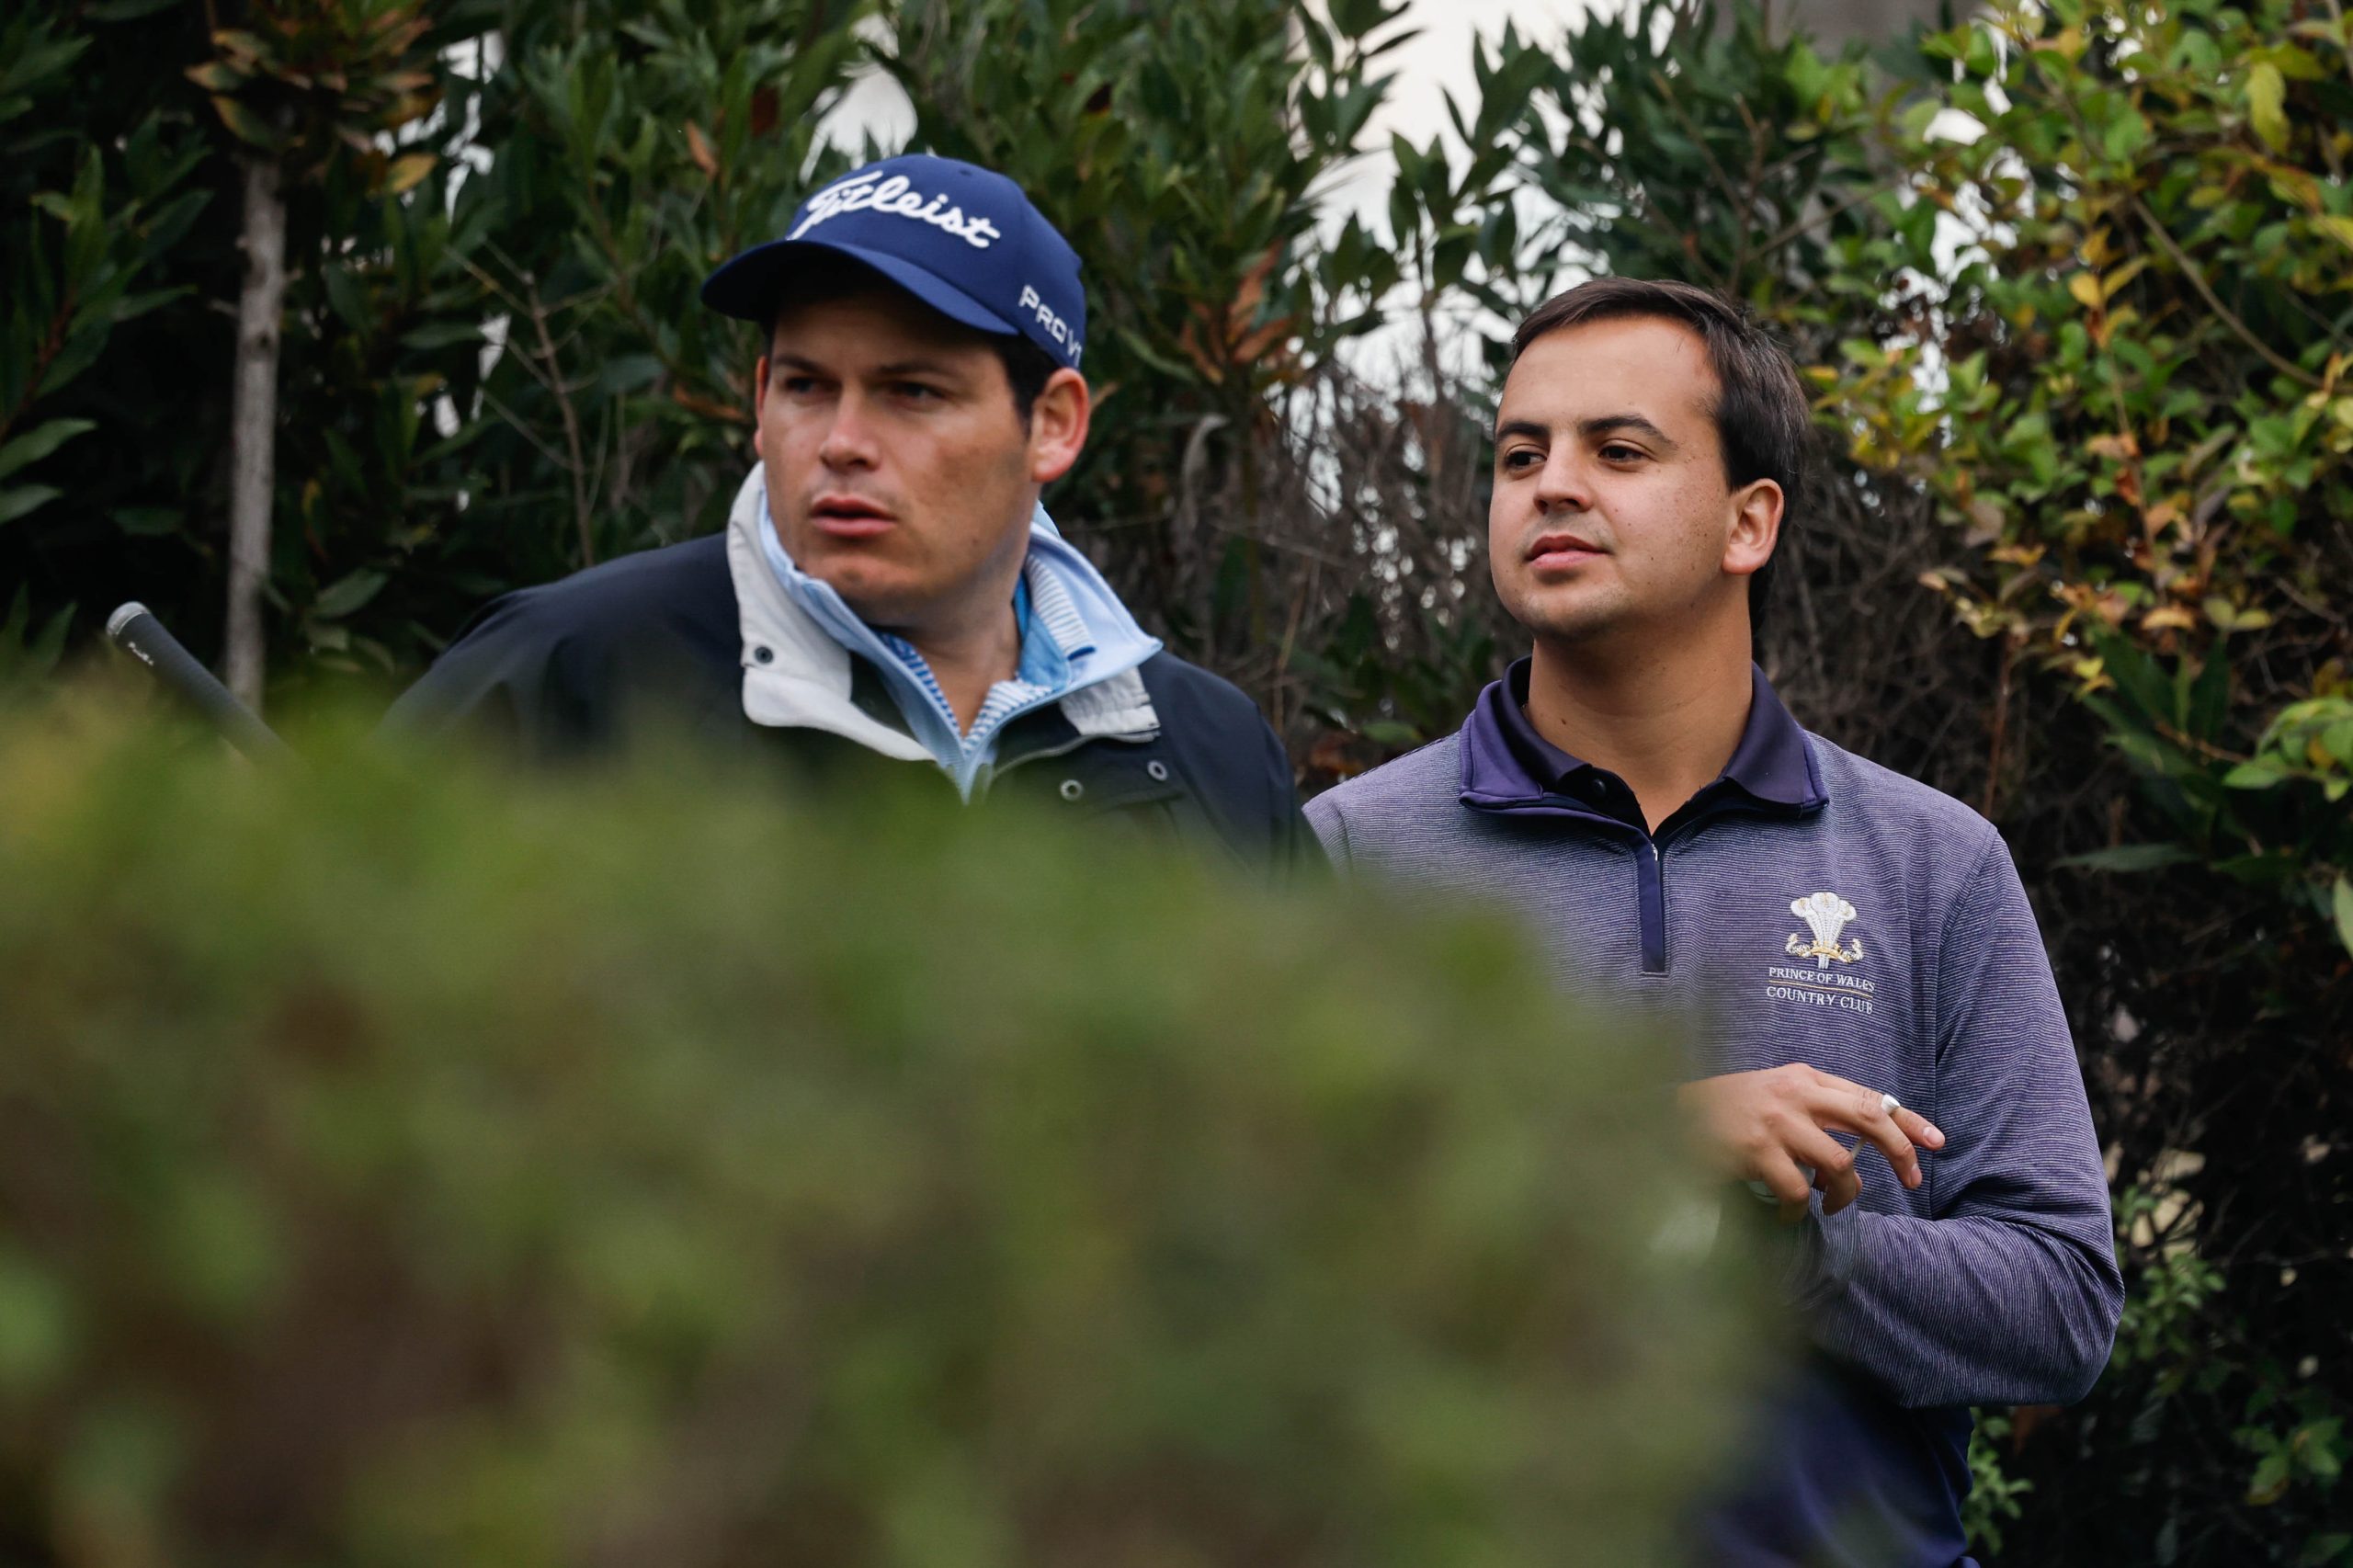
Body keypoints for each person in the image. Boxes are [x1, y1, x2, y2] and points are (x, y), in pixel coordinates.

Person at [1303, 278, 2120, 1565]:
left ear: (1750, 520)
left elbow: (2061, 1308)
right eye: (1520, 455)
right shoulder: (1352, 855)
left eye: (1618, 450)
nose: (1553, 485)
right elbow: (1269, 1284)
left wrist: (1787, 1254)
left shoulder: (1932, 862)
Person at [388, 153, 1303, 864]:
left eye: (912, 392)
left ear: (1053, 426)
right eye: (807, 385)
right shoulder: (567, 675)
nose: (842, 440)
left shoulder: (1215, 754)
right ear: (759, 401)